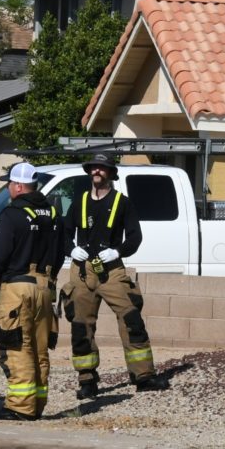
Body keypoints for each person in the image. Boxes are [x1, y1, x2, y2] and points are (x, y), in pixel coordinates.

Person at [62, 151, 169, 397]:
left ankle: (143, 376)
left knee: (132, 320)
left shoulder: (123, 203)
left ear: (111, 173)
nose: (96, 171)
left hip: (112, 271)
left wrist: (117, 252)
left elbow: (135, 237)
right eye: (93, 167)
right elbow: (64, 234)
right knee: (81, 327)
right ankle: (87, 380)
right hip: (82, 271)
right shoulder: (79, 202)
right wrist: (71, 249)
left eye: (102, 168)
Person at [0, 161, 64, 421]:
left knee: (17, 346)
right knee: (39, 350)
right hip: (45, 288)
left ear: (18, 186)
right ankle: (36, 405)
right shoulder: (53, 213)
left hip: (18, 288)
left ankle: (19, 407)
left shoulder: (12, 214)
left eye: (9, 183)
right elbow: (61, 252)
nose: (8, 188)